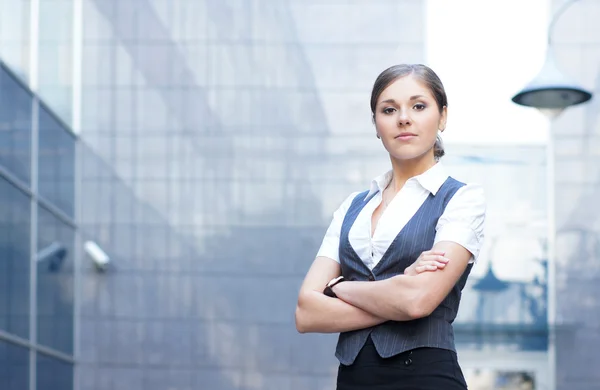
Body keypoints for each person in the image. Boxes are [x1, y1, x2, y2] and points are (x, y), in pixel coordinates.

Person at [295, 64, 485, 389]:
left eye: (419, 106)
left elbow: (417, 301)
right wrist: (399, 289)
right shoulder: (351, 208)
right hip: (354, 378)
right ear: (376, 124)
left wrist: (338, 288)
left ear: (442, 117)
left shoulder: (461, 198)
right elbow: (306, 313)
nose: (404, 118)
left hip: (426, 377)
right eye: (389, 109)